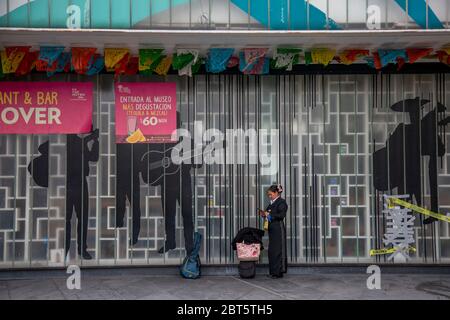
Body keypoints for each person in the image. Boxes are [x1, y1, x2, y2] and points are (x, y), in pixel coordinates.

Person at [65, 129, 99, 260]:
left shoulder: (81, 142)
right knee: (66, 219)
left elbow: (93, 157)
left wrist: (96, 141)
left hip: (80, 183)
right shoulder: (65, 143)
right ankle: (65, 248)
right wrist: (91, 137)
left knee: (83, 218)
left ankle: (82, 249)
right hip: (66, 183)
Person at [259, 184, 288, 278]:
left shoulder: (282, 202)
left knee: (278, 251)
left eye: (271, 194)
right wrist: (264, 214)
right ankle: (273, 272)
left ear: (276, 193)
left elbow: (281, 215)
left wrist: (270, 215)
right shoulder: (272, 203)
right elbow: (269, 214)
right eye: (268, 195)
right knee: (272, 251)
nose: (269, 196)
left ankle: (278, 272)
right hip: (272, 229)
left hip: (278, 229)